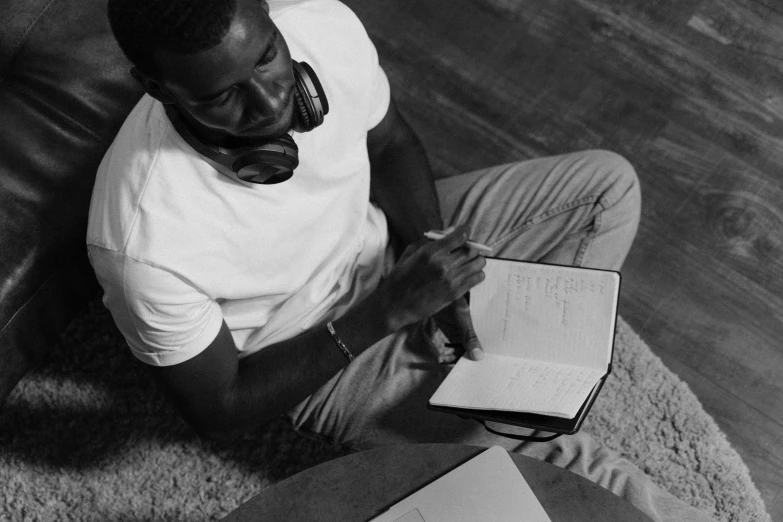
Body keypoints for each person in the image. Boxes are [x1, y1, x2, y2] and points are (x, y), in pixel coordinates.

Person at [87, 0, 715, 520]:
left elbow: (389, 145)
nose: (272, 103)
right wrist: (388, 311)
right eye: (224, 96)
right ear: (157, 89)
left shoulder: (323, 25)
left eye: (268, 57)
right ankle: (508, 417)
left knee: (604, 190)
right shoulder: (141, 239)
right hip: (318, 354)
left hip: (387, 245)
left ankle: (505, 382)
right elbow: (221, 410)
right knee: (564, 466)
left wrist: (427, 253)